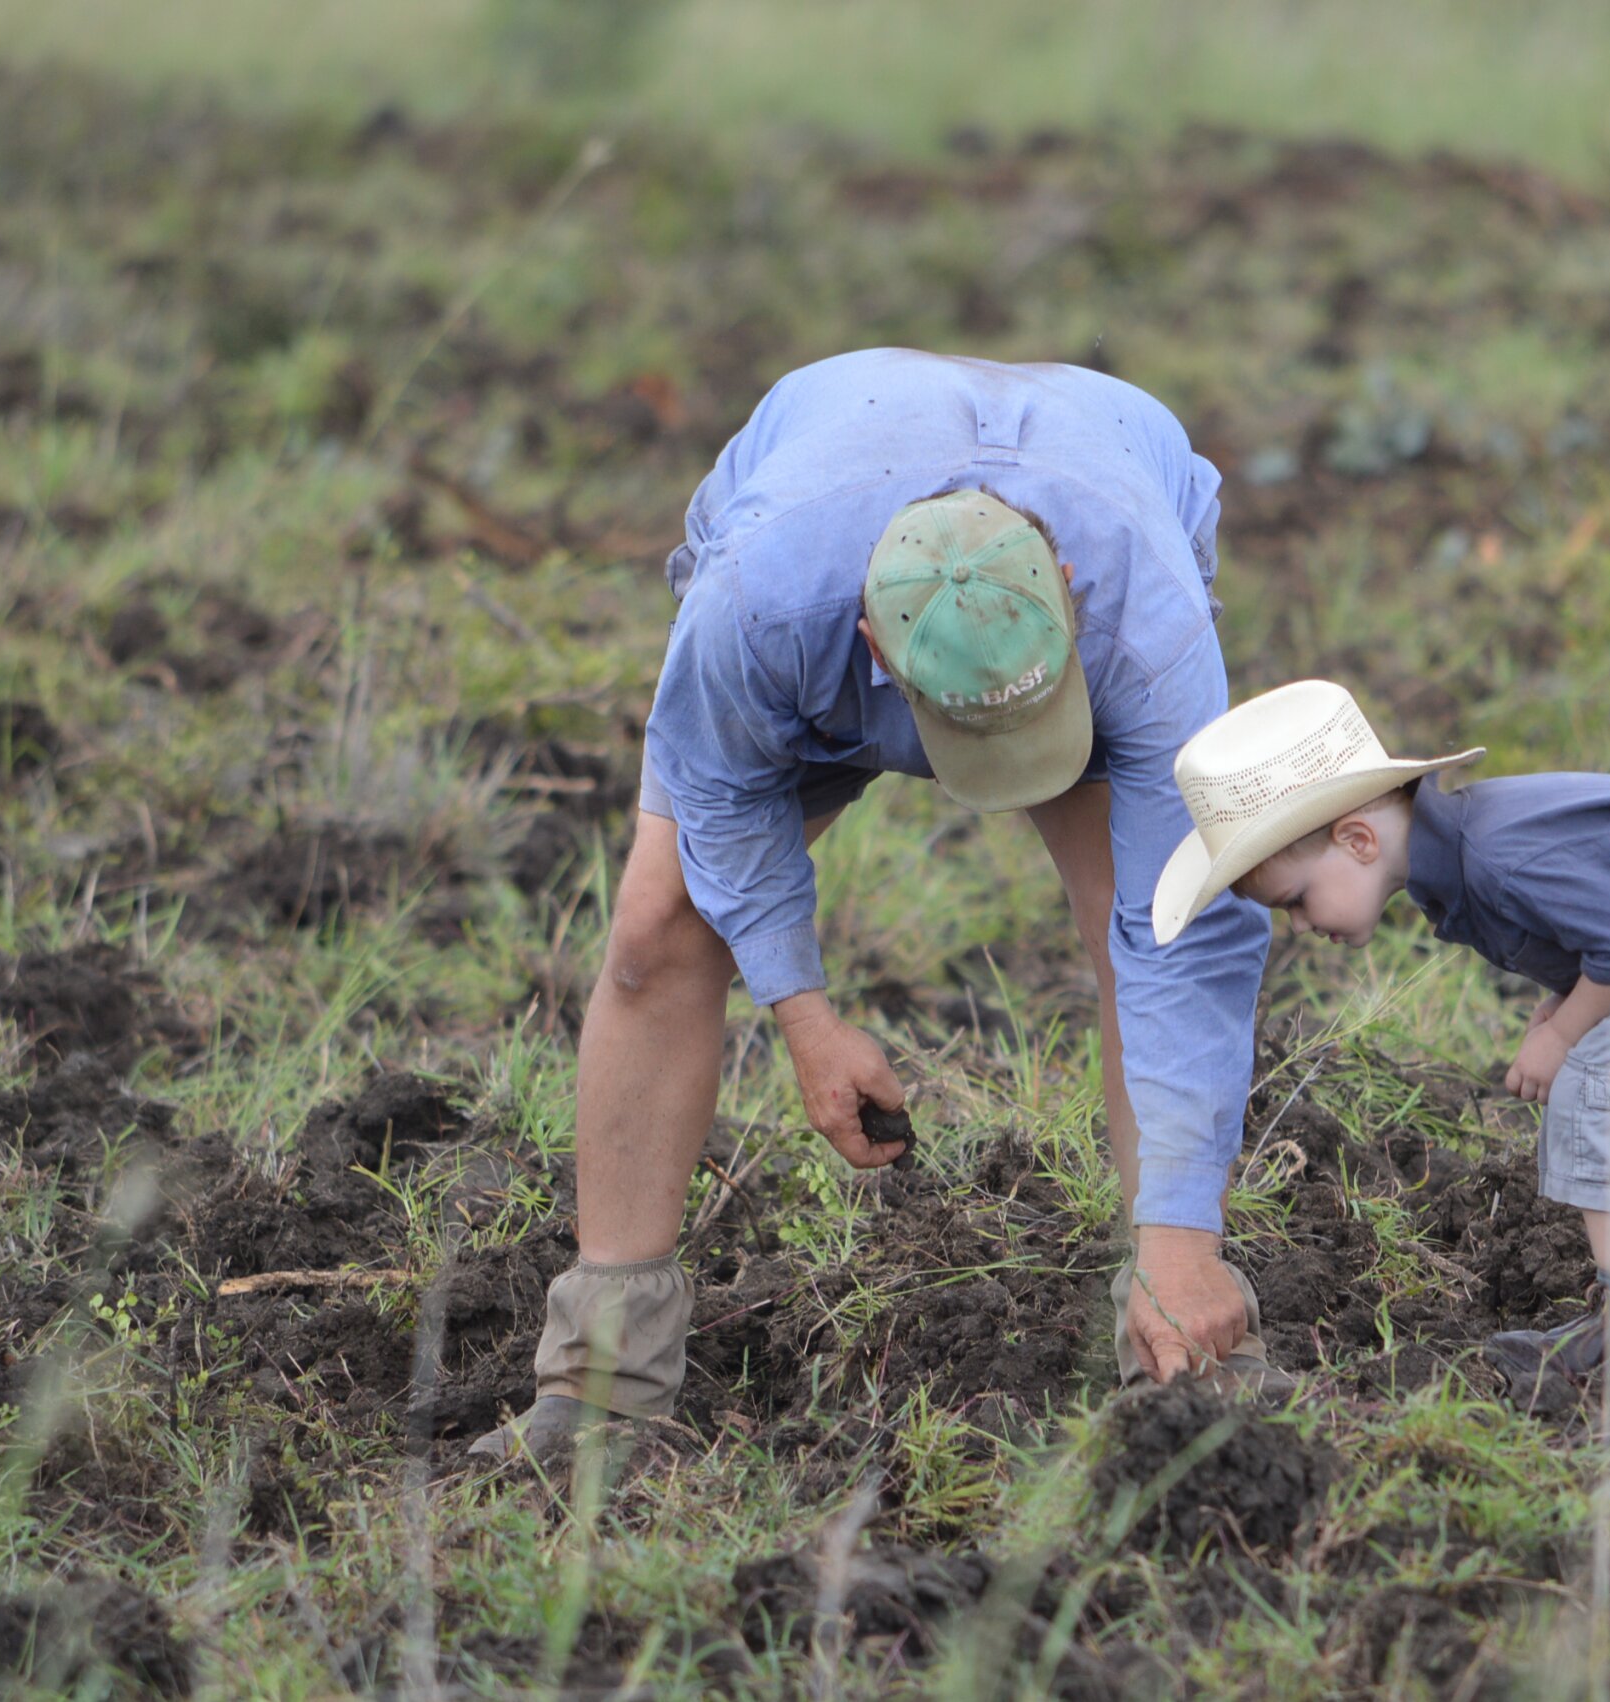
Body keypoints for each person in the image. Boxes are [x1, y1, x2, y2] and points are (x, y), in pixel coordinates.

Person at [472, 350, 1285, 1462]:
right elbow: (721, 808)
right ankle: (602, 1381)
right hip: (812, 527)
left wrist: (1183, 1234)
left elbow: (1184, 938)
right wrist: (803, 1016)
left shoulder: (1146, 618)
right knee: (655, 930)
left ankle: (1181, 1318)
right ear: (874, 647)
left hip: (1094, 463)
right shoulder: (756, 603)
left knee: (1138, 919)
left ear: (1067, 589)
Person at [1152, 679, 1610, 1411]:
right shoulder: (1449, 868)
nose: (1298, 924)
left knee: (1597, 1097)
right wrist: (1557, 1008)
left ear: (1357, 840)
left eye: (1294, 900)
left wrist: (1561, 1033)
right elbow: (1589, 931)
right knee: (1592, 1095)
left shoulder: (1500, 855)